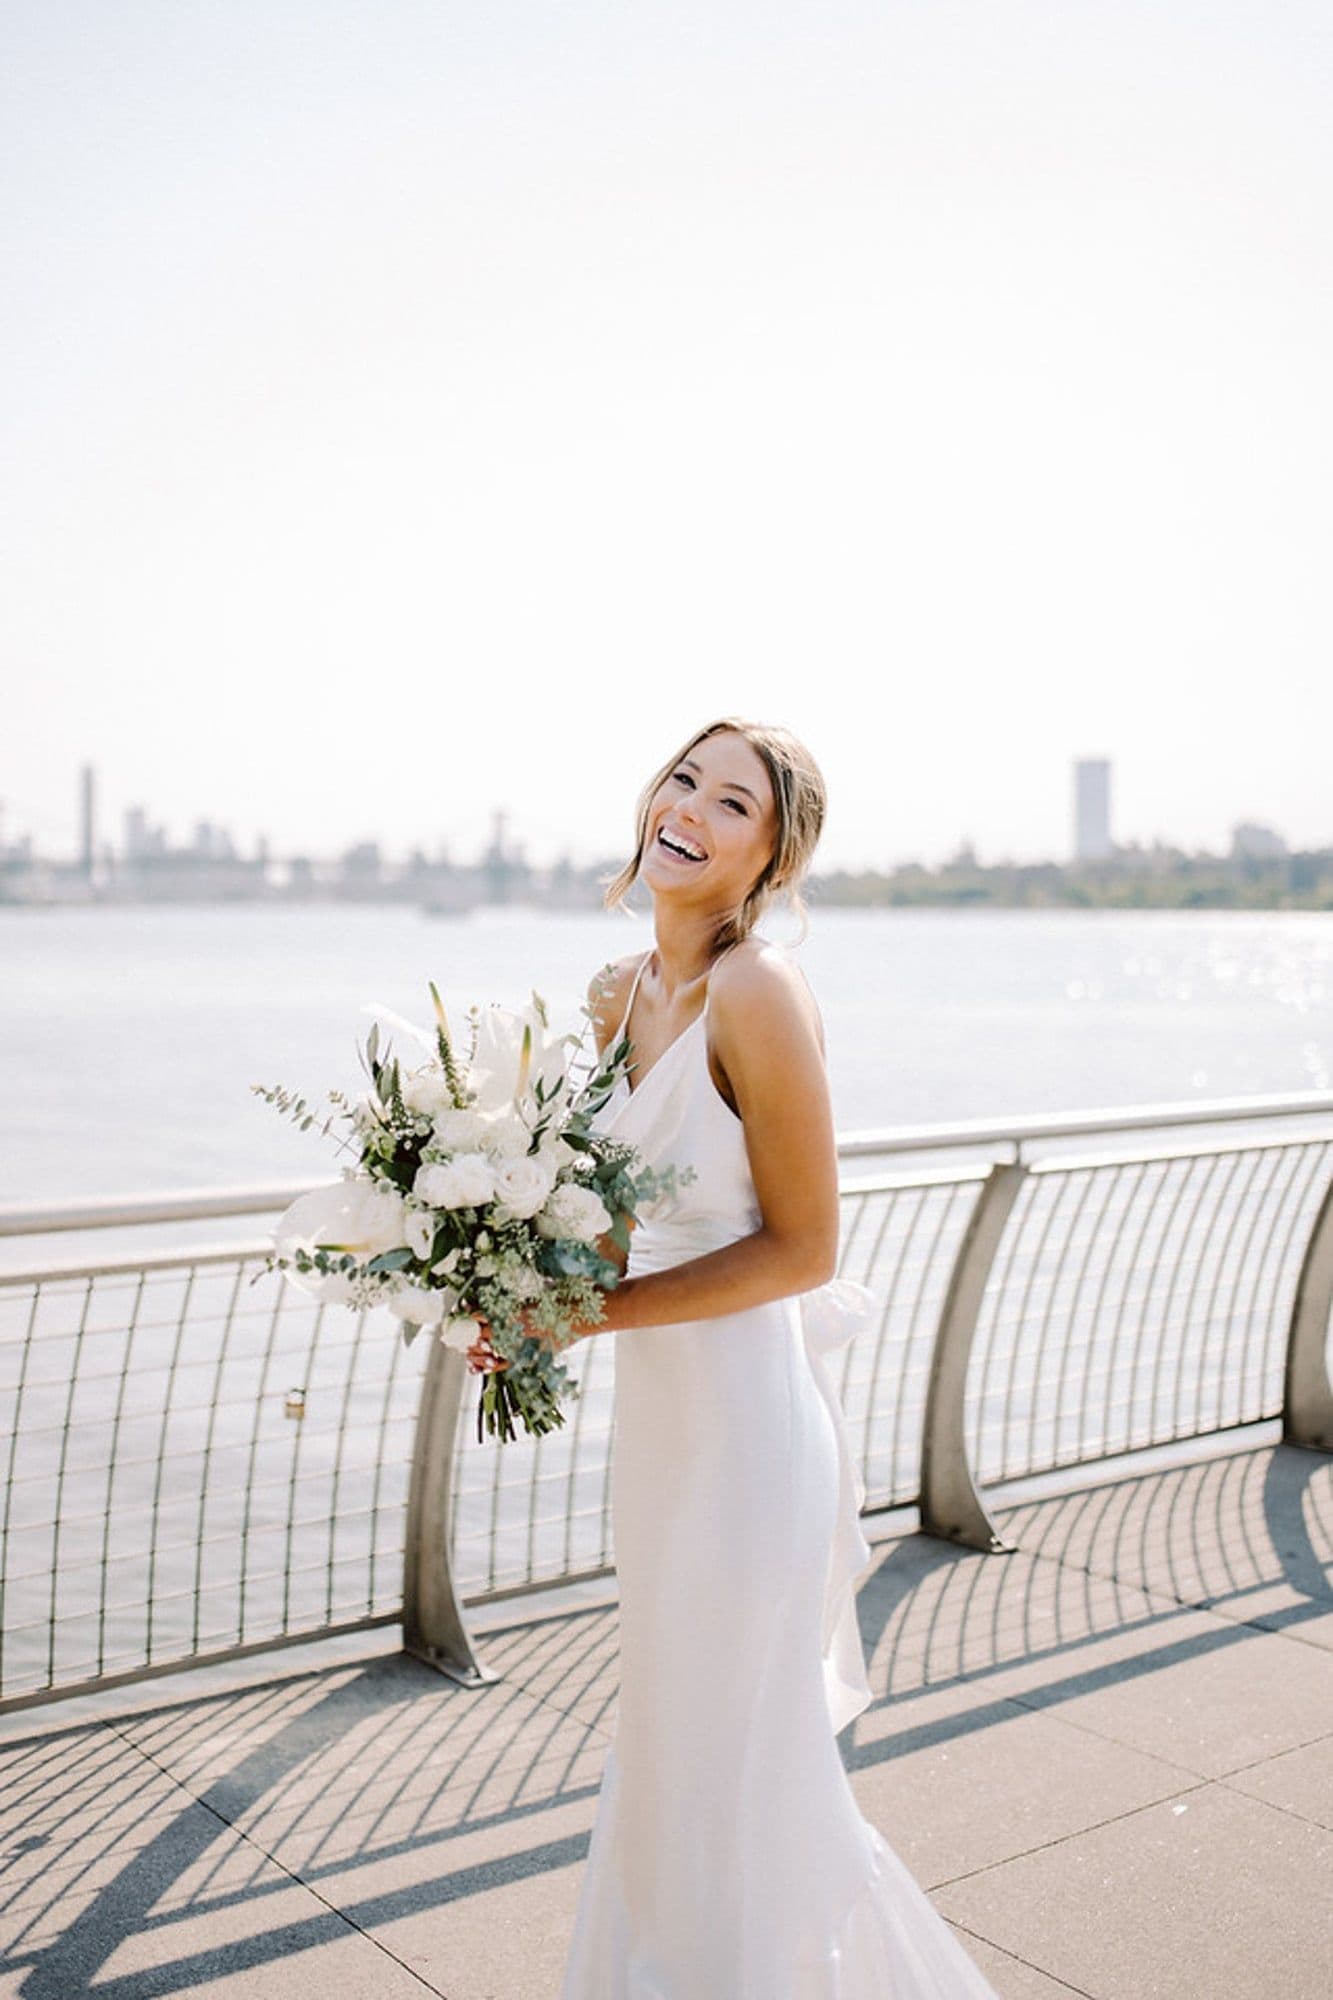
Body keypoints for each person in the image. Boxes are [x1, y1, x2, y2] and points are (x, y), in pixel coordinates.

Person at [472, 718, 1000, 1997]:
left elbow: (804, 1246)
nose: (690, 808)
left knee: (734, 1756)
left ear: (770, 859)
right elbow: (605, 1223)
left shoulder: (756, 991)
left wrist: (588, 1319)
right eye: (682, 779)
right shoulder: (614, 993)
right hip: (663, 1435)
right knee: (667, 1740)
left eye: (733, 802)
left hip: (750, 1428)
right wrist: (509, 1280)